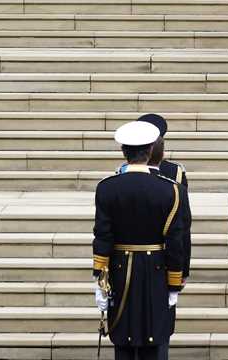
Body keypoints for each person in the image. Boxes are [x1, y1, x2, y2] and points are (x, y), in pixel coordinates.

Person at [92, 120, 187, 359]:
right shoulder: (170, 189)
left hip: (119, 271)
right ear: (152, 150)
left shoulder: (107, 188)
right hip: (155, 272)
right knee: (153, 340)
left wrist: (99, 280)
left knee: (122, 340)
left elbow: (103, 236)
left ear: (124, 152)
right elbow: (175, 242)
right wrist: (174, 284)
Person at [143, 113, 191, 359]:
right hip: (163, 260)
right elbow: (183, 229)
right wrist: (182, 270)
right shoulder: (176, 173)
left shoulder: (120, 173)